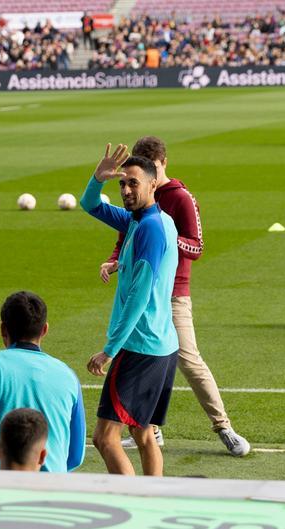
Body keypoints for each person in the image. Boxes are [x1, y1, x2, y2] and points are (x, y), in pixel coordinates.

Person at [100, 136, 251, 457]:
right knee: (141, 358)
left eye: (149, 170)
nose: (136, 181)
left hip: (174, 293)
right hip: (143, 285)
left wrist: (163, 236)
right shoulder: (135, 194)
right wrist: (117, 258)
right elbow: (126, 234)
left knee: (188, 359)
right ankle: (149, 429)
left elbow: (196, 247)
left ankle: (223, 426)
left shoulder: (180, 199)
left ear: (162, 165)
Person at [80, 144, 180, 476]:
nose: (125, 190)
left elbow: (140, 296)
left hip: (140, 348)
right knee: (142, 432)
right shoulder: (148, 220)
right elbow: (90, 205)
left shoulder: (149, 227)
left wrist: (110, 350)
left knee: (105, 437)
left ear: (153, 185)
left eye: (133, 183)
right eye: (122, 184)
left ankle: (131, 503)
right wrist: (98, 177)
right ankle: (154, 502)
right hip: (164, 346)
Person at [0, 291, 86, 473]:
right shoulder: (69, 375)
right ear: (44, 329)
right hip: (53, 488)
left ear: (3, 329)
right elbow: (76, 455)